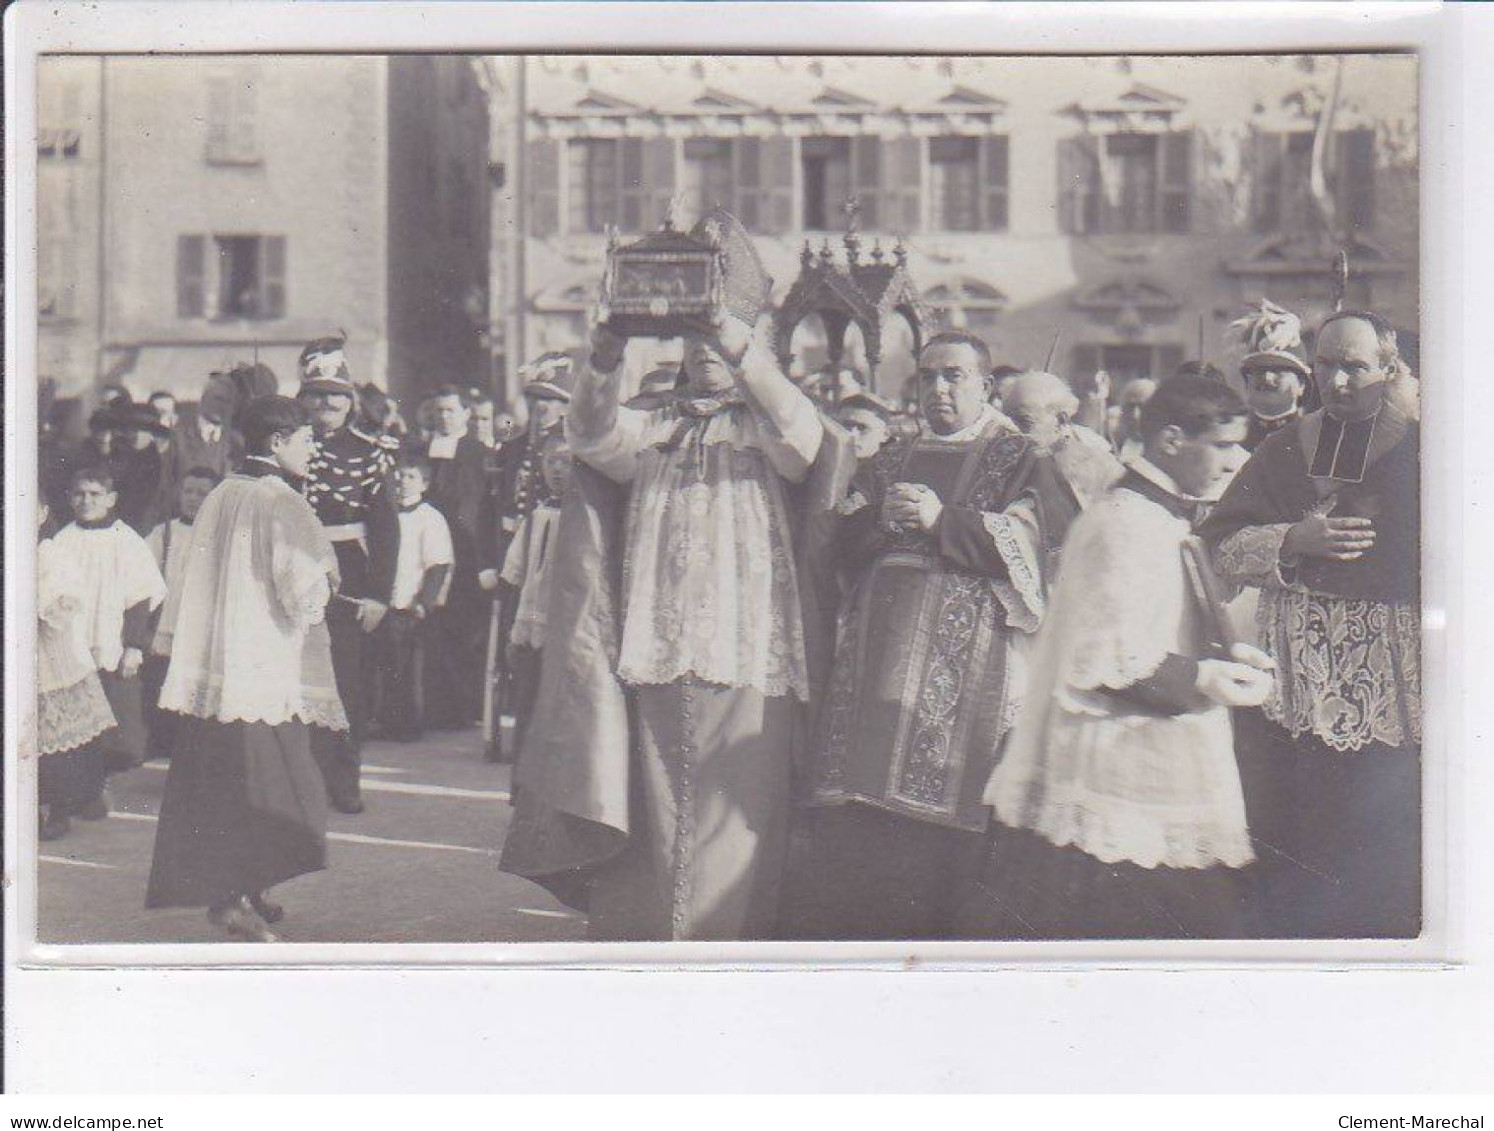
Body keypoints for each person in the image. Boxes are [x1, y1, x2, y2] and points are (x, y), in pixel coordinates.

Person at [500, 208, 855, 940]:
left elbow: (806, 439)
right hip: (655, 649)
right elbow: (593, 436)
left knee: (737, 820)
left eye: (715, 342)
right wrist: (602, 356)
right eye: (692, 340)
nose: (703, 354)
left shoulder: (769, 429)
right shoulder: (654, 424)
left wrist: (731, 330)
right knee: (655, 825)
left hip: (748, 651)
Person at [780, 331, 1079, 940]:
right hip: (876, 651)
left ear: (986, 386)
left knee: (953, 815)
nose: (938, 390)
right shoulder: (890, 457)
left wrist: (944, 520)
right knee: (864, 801)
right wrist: (874, 521)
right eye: (927, 377)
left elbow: (1049, 550)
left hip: (976, 659)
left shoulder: (1020, 457)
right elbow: (837, 540)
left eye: (954, 377)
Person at [979, 375, 1273, 939]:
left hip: (1157, 741)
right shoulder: (1126, 522)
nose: (1235, 459)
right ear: (1169, 441)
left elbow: (1158, 615)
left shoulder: (1155, 515)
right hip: (1122, 754)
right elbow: (1105, 658)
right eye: (1222, 444)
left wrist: (1232, 648)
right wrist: (1209, 675)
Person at [1198, 310, 1421, 939]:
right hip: (1298, 671)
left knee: (1382, 831)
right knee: (1298, 825)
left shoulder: (1427, 445)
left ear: (1388, 368)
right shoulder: (1285, 445)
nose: (1340, 381)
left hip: (1395, 672)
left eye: (1356, 366)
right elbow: (1216, 545)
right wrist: (1293, 538)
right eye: (1327, 365)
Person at [146, 395, 344, 942]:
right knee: (277, 789)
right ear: (277, 443)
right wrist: (328, 579)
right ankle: (232, 900)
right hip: (259, 669)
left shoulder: (219, 495)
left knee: (230, 781)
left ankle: (247, 890)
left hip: (218, 669)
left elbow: (187, 576)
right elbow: (302, 591)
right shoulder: (283, 502)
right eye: (306, 439)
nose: (313, 449)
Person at [297, 335, 399, 814]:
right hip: (293, 571)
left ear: (350, 400)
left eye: (335, 394)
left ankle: (343, 777)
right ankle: (297, 780)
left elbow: (385, 528)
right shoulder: (287, 447)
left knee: (345, 683)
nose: (326, 403)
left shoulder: (370, 452)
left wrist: (379, 594)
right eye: (317, 393)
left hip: (349, 577)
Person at [50, 467, 168, 785]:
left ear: (111, 498)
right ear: (70, 499)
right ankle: (78, 791)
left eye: (95, 494)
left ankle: (94, 788)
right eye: (79, 494)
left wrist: (133, 645)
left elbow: (141, 597)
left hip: (109, 644)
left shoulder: (125, 541)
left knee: (112, 731)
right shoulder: (62, 540)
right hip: (70, 647)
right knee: (74, 723)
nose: (86, 500)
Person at [36, 501, 118, 841]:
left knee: (57, 735)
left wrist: (41, 607)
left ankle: (61, 806)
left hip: (49, 649)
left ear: (42, 512)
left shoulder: (50, 552)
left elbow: (64, 597)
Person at [496, 429, 570, 767]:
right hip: (530, 625)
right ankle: (523, 796)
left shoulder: (584, 517)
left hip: (567, 627)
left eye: (566, 462)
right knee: (528, 703)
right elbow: (517, 575)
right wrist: (514, 629)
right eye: (551, 461)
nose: (557, 470)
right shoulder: (537, 514)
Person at [419, 384, 491, 729]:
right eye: (439, 410)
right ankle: (436, 707)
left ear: (465, 413)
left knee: (465, 629)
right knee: (433, 626)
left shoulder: (478, 451)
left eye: (451, 410)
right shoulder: (421, 450)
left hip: (466, 551)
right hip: (430, 548)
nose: (444, 417)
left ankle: (466, 707)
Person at [370, 455, 453, 742]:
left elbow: (438, 563)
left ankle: (409, 723)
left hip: (411, 600)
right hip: (387, 599)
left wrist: (424, 601)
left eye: (411, 477)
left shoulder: (429, 518)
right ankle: (385, 718)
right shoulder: (386, 513)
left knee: (409, 666)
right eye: (399, 477)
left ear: (425, 484)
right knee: (386, 662)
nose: (403, 483)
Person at [142, 467, 221, 762]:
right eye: (188, 491)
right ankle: (161, 740)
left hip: (200, 624)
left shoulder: (219, 536)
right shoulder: (165, 532)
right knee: (159, 682)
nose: (194, 498)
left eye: (202, 493)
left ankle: (191, 747)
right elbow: (145, 576)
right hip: (167, 621)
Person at [1003, 370, 1125, 510]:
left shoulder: (1101, 469)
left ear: (1061, 420)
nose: (1011, 431)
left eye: (1023, 421)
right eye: (1006, 420)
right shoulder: (998, 461)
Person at [1229, 299, 1314, 452]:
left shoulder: (1314, 439)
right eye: (1259, 370)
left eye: (1278, 370)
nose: (1267, 378)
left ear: (1301, 385)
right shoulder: (1231, 441)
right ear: (1247, 383)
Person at [832, 390, 896, 462]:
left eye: (861, 428)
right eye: (846, 426)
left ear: (885, 434)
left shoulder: (898, 470)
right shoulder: (822, 465)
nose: (852, 434)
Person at [1111, 376, 1157, 464]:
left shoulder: (1164, 454)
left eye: (1143, 407)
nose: (1135, 415)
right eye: (1130, 407)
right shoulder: (1114, 449)